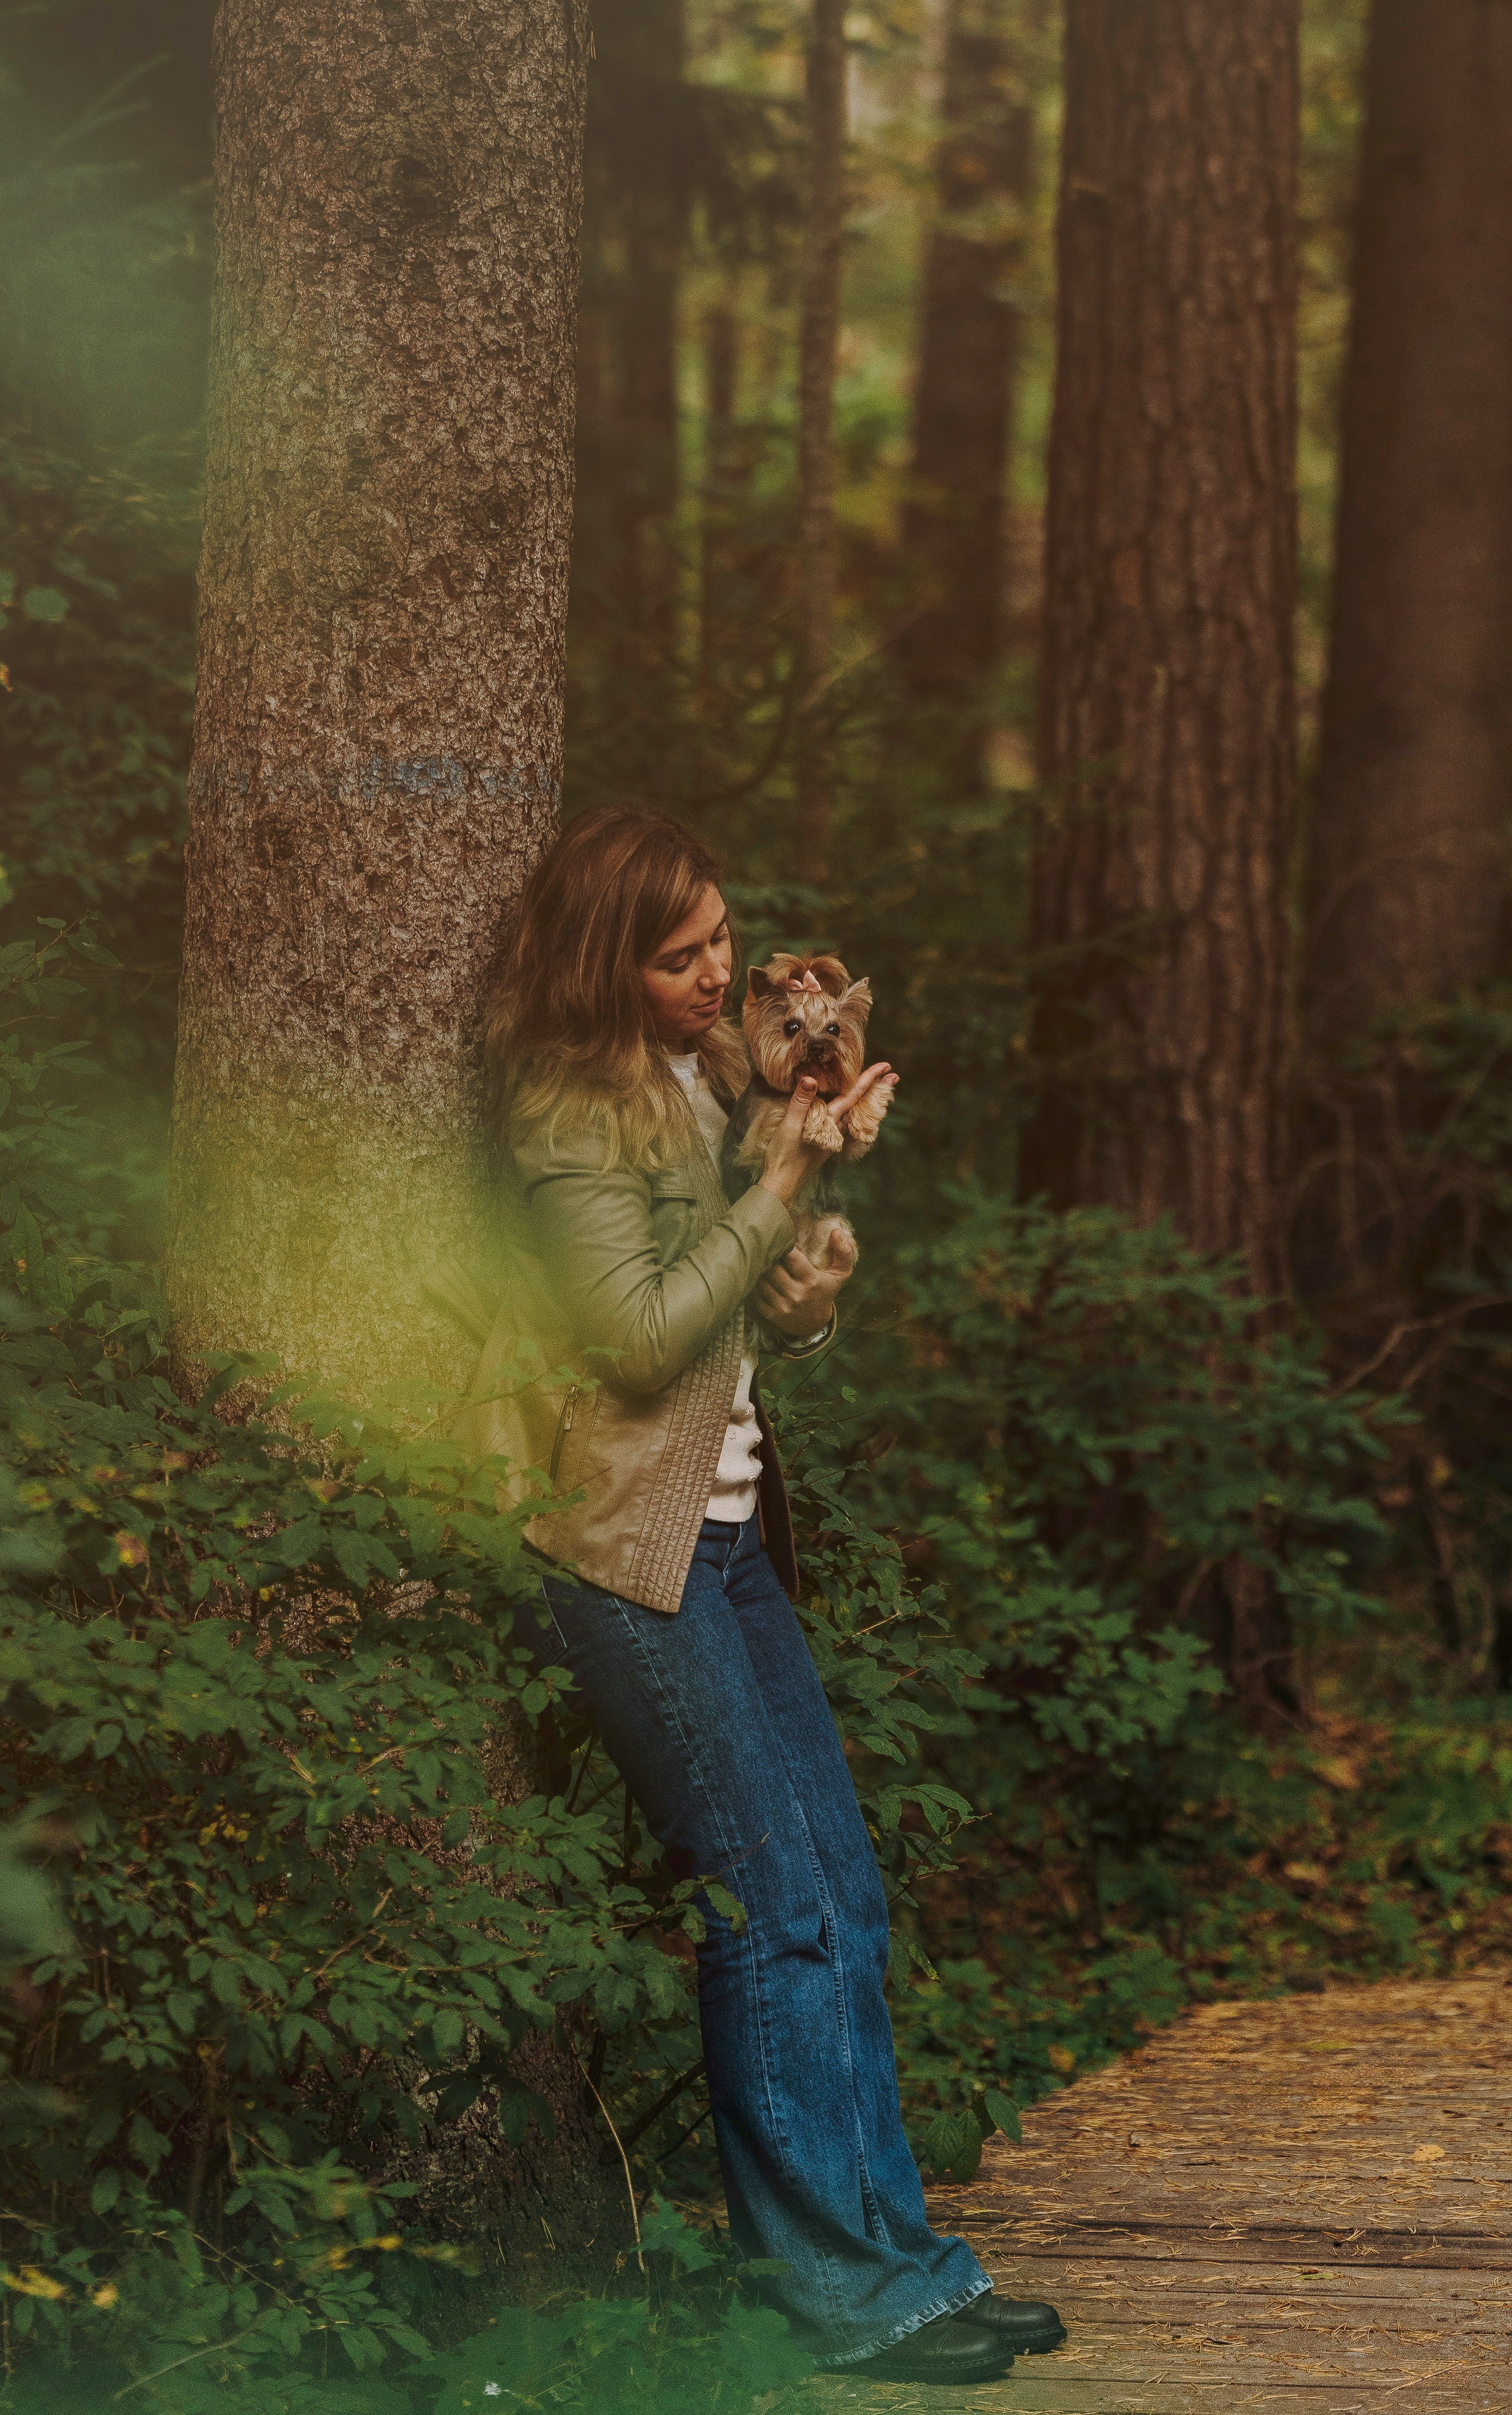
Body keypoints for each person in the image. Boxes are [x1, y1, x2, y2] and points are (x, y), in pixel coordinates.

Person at [469, 806, 1066, 2385]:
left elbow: (730, 1323)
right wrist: (781, 1175)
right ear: (601, 960)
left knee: (842, 1897)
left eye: (720, 942)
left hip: (724, 1538)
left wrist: (802, 1296)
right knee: (769, 1911)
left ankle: (903, 2266)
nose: (712, 975)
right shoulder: (567, 1107)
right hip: (626, 1553)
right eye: (675, 956)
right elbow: (635, 1338)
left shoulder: (701, 1077)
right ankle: (838, 2299)